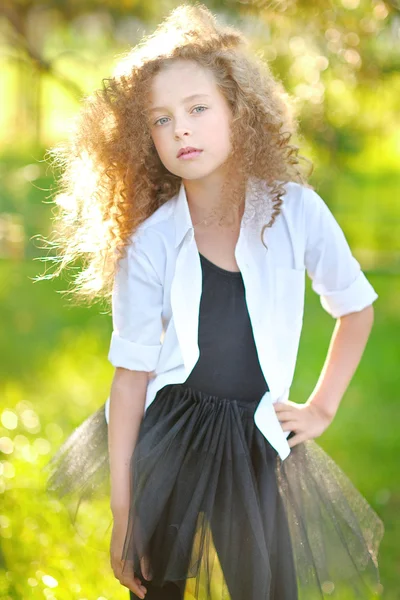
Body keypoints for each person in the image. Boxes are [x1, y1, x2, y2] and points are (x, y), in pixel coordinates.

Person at [43, 4, 384, 599]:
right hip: (169, 436)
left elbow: (355, 308)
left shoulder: (295, 212)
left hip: (256, 438)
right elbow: (130, 379)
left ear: (238, 110)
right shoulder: (150, 244)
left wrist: (322, 408)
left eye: (198, 109)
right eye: (161, 120)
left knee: (268, 587)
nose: (181, 130)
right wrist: (124, 516)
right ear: (144, 138)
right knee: (159, 586)